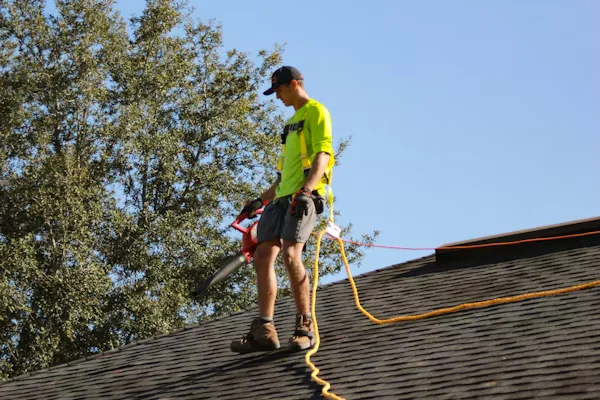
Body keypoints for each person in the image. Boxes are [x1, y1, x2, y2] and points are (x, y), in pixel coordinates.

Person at [230, 66, 334, 353]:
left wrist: (307, 191)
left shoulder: (316, 112)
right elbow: (281, 178)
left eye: (279, 89)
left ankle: (305, 326)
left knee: (290, 255)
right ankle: (265, 328)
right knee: (263, 255)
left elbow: (323, 155)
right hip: (281, 199)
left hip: (303, 198)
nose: (276, 96)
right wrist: (258, 202)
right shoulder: (291, 124)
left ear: (295, 84)